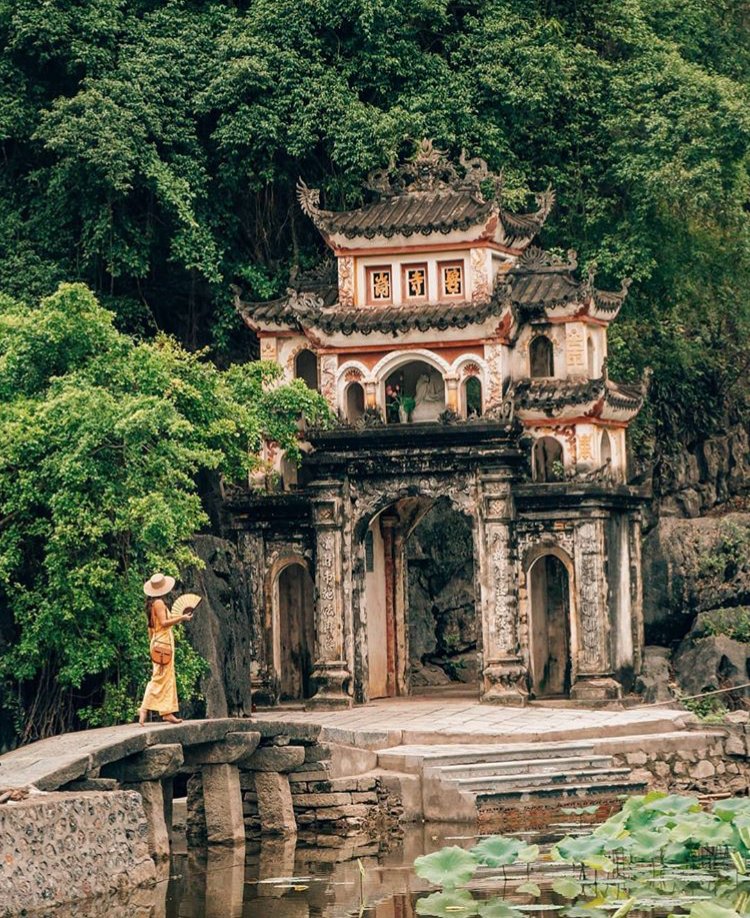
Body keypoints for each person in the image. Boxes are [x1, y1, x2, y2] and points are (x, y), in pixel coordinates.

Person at [138, 572, 194, 725]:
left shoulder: (152, 604)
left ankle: (167, 712)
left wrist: (153, 644)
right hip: (163, 643)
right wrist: (181, 618)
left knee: (167, 677)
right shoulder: (159, 604)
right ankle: (144, 708)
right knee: (159, 677)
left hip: (159, 642)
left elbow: (151, 629)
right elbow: (163, 623)